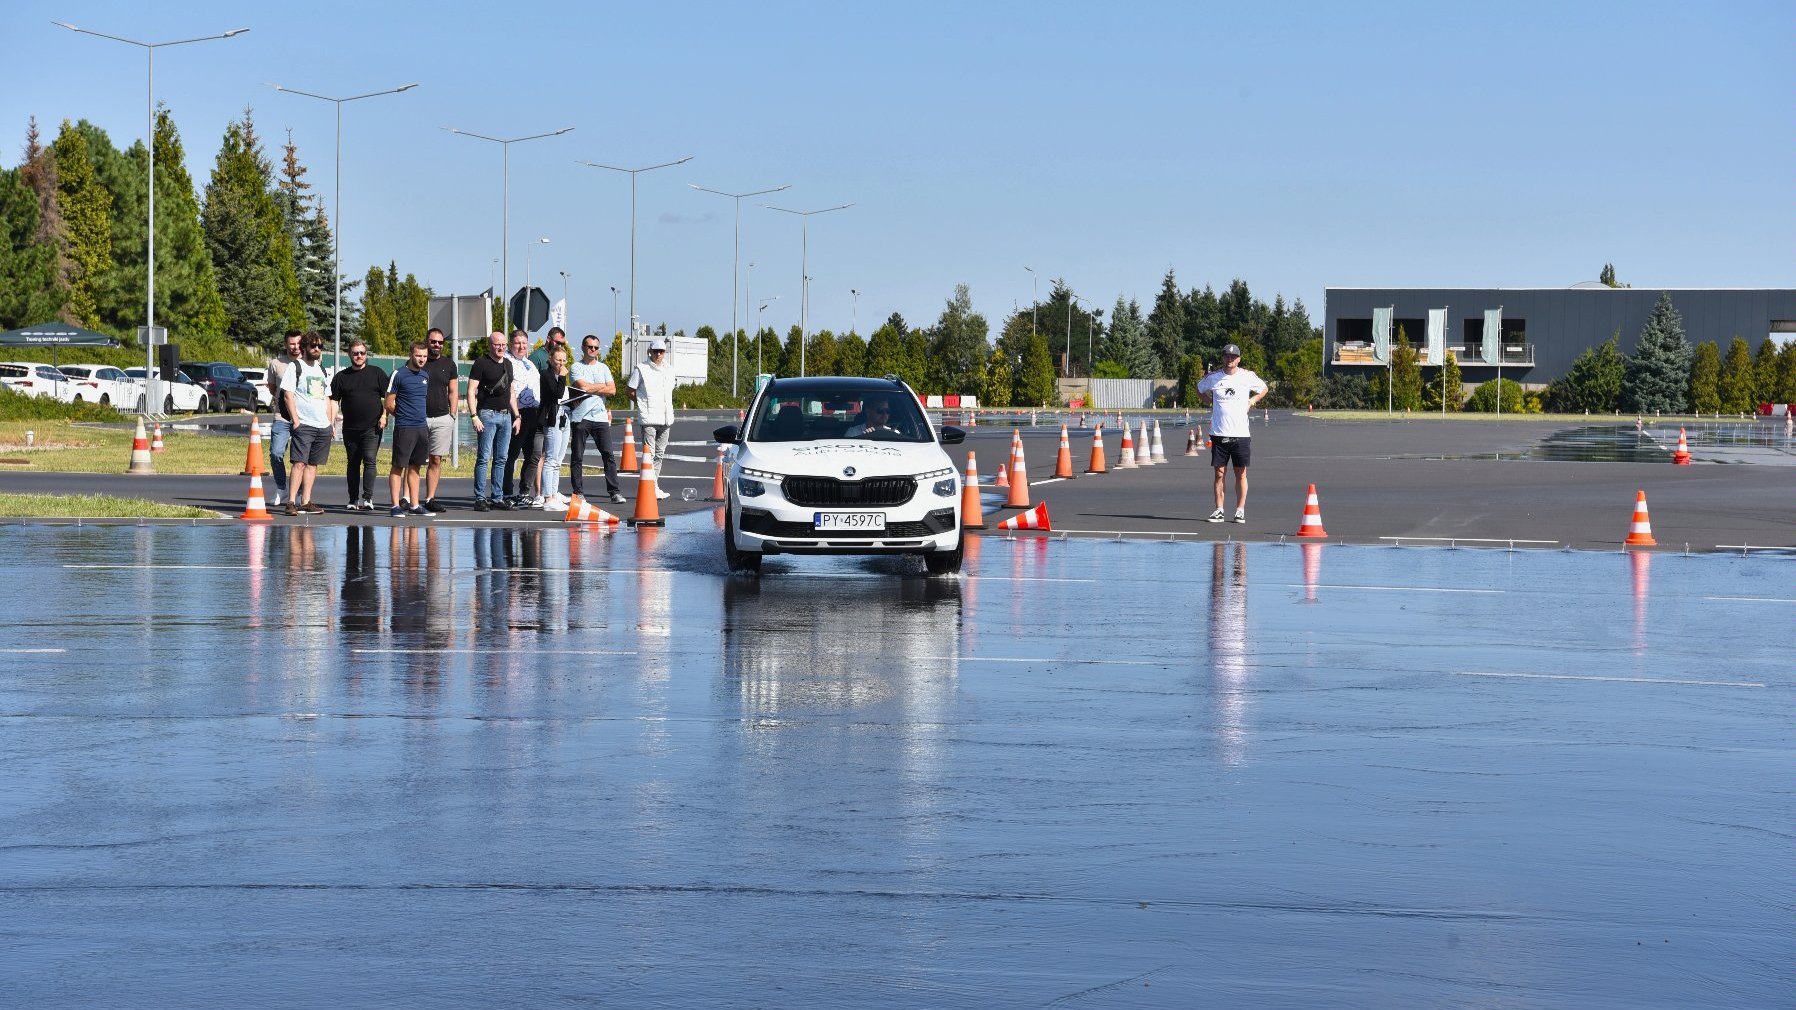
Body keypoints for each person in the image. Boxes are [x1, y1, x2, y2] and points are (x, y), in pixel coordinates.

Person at [1196, 342, 1268, 523]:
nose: (1230, 359)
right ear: (1223, 358)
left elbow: (1264, 388)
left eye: (1233, 357)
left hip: (1241, 434)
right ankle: (1219, 510)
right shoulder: (1214, 378)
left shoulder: (1247, 376)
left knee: (1240, 473)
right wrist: (1209, 402)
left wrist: (1252, 400)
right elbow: (1199, 389)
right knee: (1219, 473)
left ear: (1239, 359)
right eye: (1227, 356)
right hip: (1219, 433)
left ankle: (1240, 510)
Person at [329, 339, 388, 510]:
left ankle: (368, 498)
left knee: (370, 460)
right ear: (349, 355)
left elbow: (389, 397)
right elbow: (333, 402)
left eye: (362, 353)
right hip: (350, 429)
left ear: (366, 354)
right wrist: (331, 424)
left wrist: (384, 416)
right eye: (355, 353)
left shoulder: (377, 373)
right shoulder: (341, 377)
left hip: (373, 428)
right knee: (353, 463)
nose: (359, 356)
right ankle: (353, 499)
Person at [567, 333, 624, 505]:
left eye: (596, 347)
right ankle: (578, 492)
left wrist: (593, 389)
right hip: (580, 417)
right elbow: (582, 387)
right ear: (583, 348)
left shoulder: (604, 368)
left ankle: (614, 492)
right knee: (577, 456)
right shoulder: (576, 367)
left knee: (608, 454)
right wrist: (601, 387)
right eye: (590, 347)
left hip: (600, 417)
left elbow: (613, 390)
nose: (593, 350)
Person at [282, 331, 334, 515]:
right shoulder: (296, 367)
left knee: (312, 465)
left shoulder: (320, 369)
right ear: (304, 347)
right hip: (304, 424)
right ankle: (291, 502)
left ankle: (306, 501)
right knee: (299, 463)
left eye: (320, 346)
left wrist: (330, 423)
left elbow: (327, 397)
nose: (317, 349)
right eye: (313, 346)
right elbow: (288, 395)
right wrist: (296, 421)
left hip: (322, 425)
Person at [467, 331, 519, 511]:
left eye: (504, 344)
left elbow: (511, 392)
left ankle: (497, 497)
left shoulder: (508, 364)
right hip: (487, 415)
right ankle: (480, 498)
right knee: (483, 457)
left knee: (501, 458)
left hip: (506, 416)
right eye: (497, 344)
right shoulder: (481, 363)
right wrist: (474, 416)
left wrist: (517, 416)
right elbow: (471, 390)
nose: (501, 348)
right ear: (490, 345)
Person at [384, 341, 434, 517]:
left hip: (421, 427)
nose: (421, 359)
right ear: (411, 354)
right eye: (418, 355)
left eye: (424, 356)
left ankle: (414, 505)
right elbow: (389, 403)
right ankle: (395, 506)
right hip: (404, 428)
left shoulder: (425, 376)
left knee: (415, 467)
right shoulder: (398, 374)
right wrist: (404, 416)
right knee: (398, 466)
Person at [628, 337, 677, 498]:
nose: (658, 354)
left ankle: (653, 485)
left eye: (661, 351)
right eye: (655, 351)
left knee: (660, 454)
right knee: (649, 454)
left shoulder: (669, 369)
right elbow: (630, 390)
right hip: (649, 417)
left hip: (666, 417)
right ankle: (650, 487)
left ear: (665, 353)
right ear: (650, 352)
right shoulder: (641, 368)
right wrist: (641, 403)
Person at [503, 329, 544, 508]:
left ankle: (524, 491)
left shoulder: (530, 364)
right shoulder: (506, 361)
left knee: (534, 454)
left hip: (533, 414)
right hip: (515, 414)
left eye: (524, 343)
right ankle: (506, 492)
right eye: (517, 343)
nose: (521, 347)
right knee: (510, 455)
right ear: (511, 344)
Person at [421, 327, 460, 512]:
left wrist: (452, 415)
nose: (437, 345)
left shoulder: (449, 364)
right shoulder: (418, 360)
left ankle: (430, 499)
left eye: (440, 342)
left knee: (435, 459)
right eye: (433, 341)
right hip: (419, 418)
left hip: (442, 418)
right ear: (427, 341)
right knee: (413, 460)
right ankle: (406, 498)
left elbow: (453, 392)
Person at [264, 330, 302, 507]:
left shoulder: (309, 363)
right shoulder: (276, 364)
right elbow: (273, 388)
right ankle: (281, 488)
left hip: (303, 418)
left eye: (298, 343)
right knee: (276, 453)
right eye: (292, 343)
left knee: (301, 458)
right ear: (286, 344)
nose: (295, 347)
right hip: (282, 416)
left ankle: (300, 493)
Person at [538, 343, 573, 510]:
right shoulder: (546, 375)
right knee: (550, 459)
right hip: (552, 418)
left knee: (558, 460)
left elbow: (564, 395)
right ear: (550, 359)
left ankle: (554, 493)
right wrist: (562, 376)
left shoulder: (559, 376)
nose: (561, 364)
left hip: (564, 418)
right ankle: (547, 497)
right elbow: (556, 393)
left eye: (564, 361)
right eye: (558, 360)